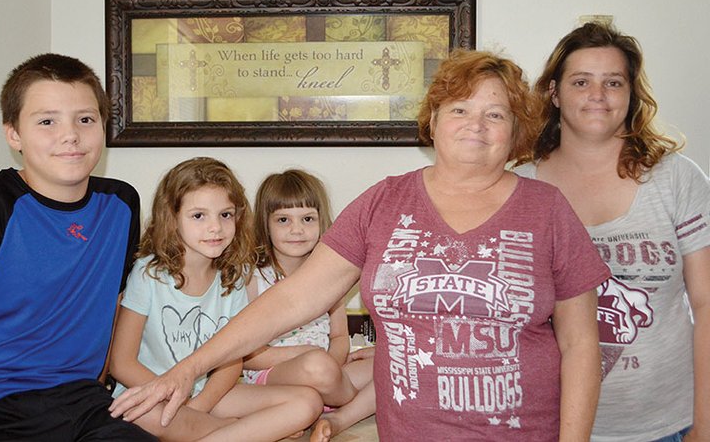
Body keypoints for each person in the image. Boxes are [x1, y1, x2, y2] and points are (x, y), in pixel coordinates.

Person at [110, 50, 611, 441]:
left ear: (516, 130)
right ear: (433, 121)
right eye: (459, 109)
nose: (476, 125)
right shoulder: (385, 202)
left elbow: (580, 344)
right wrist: (188, 370)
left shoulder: (547, 209)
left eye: (495, 114)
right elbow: (293, 298)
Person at [0, 54, 155, 441]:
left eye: (85, 119)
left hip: (82, 406)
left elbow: (111, 308)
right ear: (14, 135)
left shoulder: (121, 204)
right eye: (47, 121)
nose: (70, 134)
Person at [515, 22, 710, 442]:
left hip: (668, 426)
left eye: (614, 82)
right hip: (548, 425)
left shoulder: (676, 179)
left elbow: (707, 304)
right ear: (554, 92)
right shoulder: (520, 189)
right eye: (581, 81)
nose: (597, 95)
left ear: (631, 93)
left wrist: (705, 424)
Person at [108, 157, 322, 442]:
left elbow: (232, 359)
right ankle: (239, 433)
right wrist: (176, 398)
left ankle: (215, 431)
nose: (215, 228)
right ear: (172, 218)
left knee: (307, 402)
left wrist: (198, 408)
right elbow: (121, 363)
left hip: (209, 393)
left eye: (225, 215)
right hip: (152, 392)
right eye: (199, 216)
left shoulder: (234, 275)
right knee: (140, 412)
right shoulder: (149, 273)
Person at [242, 169, 375, 441]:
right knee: (314, 365)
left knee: (391, 365)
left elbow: (339, 337)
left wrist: (334, 364)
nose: (297, 230)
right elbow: (248, 355)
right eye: (283, 220)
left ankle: (333, 415)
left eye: (307, 219)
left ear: (321, 221)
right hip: (275, 375)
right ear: (265, 225)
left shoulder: (328, 277)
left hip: (328, 374)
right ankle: (344, 402)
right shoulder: (254, 279)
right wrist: (304, 356)